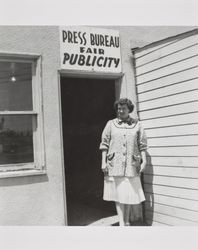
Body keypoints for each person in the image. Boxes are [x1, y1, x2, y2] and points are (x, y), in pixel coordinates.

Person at [99, 98, 147, 226]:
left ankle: (127, 221)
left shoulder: (137, 125)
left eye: (123, 108)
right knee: (119, 194)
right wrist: (103, 162)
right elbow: (104, 144)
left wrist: (144, 161)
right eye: (119, 108)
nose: (120, 111)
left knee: (129, 193)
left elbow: (142, 145)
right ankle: (121, 222)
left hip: (132, 164)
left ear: (129, 110)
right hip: (115, 163)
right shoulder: (111, 124)